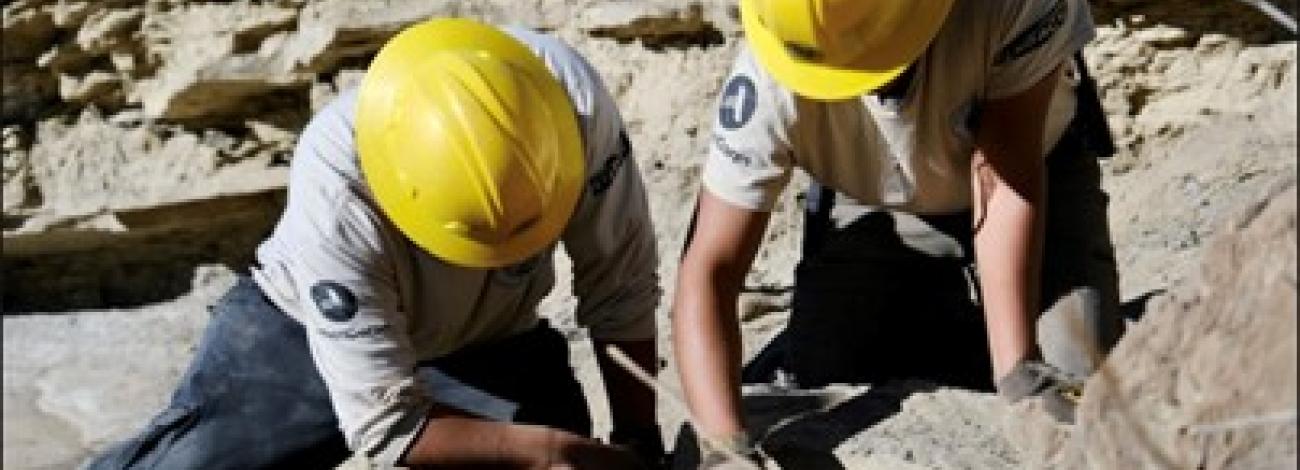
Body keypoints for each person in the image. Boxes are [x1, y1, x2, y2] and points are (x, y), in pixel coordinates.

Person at [89, 18, 664, 469]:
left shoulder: (570, 105)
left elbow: (622, 286)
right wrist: (548, 453)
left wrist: (640, 442)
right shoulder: (338, 188)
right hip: (299, 339)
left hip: (491, 345)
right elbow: (386, 425)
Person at [673, 0, 1124, 460]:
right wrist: (723, 446)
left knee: (1077, 380)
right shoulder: (769, 77)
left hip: (1035, 174)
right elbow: (707, 270)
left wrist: (1019, 372)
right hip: (875, 196)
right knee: (830, 365)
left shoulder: (1009, 8)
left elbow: (1005, 179)